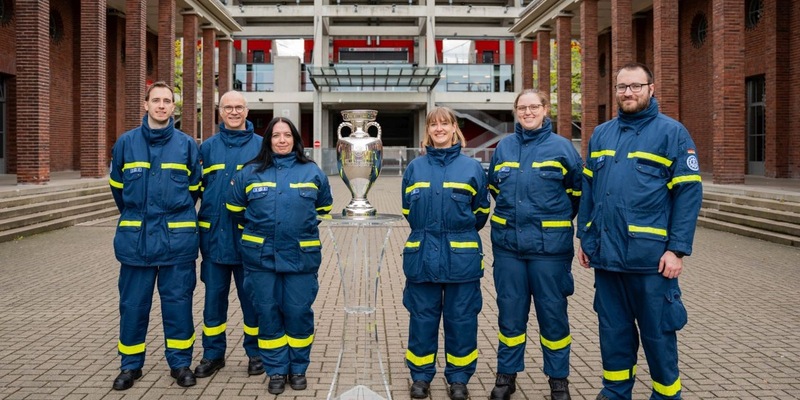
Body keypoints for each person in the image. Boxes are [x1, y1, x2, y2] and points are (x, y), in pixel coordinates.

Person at [576, 62, 702, 400]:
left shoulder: (672, 133)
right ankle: (615, 392)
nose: (627, 93)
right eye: (621, 87)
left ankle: (665, 395)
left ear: (651, 88)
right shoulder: (601, 134)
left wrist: (676, 250)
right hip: (607, 260)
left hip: (651, 262)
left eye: (635, 86)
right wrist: (585, 238)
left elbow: (688, 195)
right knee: (613, 334)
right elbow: (589, 191)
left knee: (658, 335)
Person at [226, 117, 333, 395]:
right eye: (276, 135)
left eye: (287, 135)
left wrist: (298, 230)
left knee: (298, 313)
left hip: (300, 258)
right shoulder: (251, 172)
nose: (282, 140)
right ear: (268, 140)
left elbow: (324, 209)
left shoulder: (312, 172)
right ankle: (275, 370)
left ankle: (297, 368)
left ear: (295, 139)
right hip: (260, 259)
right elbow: (235, 209)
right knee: (268, 313)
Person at [487, 89, 583, 400]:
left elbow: (576, 194)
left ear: (545, 109)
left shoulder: (563, 148)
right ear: (516, 112)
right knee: (510, 315)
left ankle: (559, 381)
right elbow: (493, 187)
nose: (528, 112)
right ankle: (506, 377)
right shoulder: (504, 147)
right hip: (509, 249)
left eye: (534, 107)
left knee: (553, 316)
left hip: (550, 252)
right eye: (522, 108)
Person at [108, 81, 202, 390]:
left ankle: (180, 364)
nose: (162, 105)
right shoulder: (125, 143)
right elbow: (119, 191)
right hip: (137, 242)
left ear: (174, 108)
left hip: (177, 242)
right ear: (146, 105)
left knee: (178, 305)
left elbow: (193, 190)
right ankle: (130, 366)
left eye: (167, 101)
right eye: (156, 100)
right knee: (133, 306)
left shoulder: (187, 145)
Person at [401, 107, 490, 400]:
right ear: (428, 130)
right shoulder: (415, 168)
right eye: (434, 124)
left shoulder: (472, 168)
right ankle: (421, 377)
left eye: (445, 123)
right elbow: (408, 211)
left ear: (454, 128)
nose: (439, 129)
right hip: (423, 254)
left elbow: (480, 213)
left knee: (461, 320)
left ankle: (459, 379)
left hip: (460, 258)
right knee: (422, 319)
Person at [194, 91, 264, 379]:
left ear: (247, 111)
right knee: (213, 304)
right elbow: (195, 192)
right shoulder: (207, 149)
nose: (233, 112)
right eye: (228, 107)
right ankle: (213, 355)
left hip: (249, 242)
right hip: (214, 241)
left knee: (254, 303)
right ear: (219, 111)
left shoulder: (263, 147)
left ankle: (257, 354)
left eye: (239, 107)